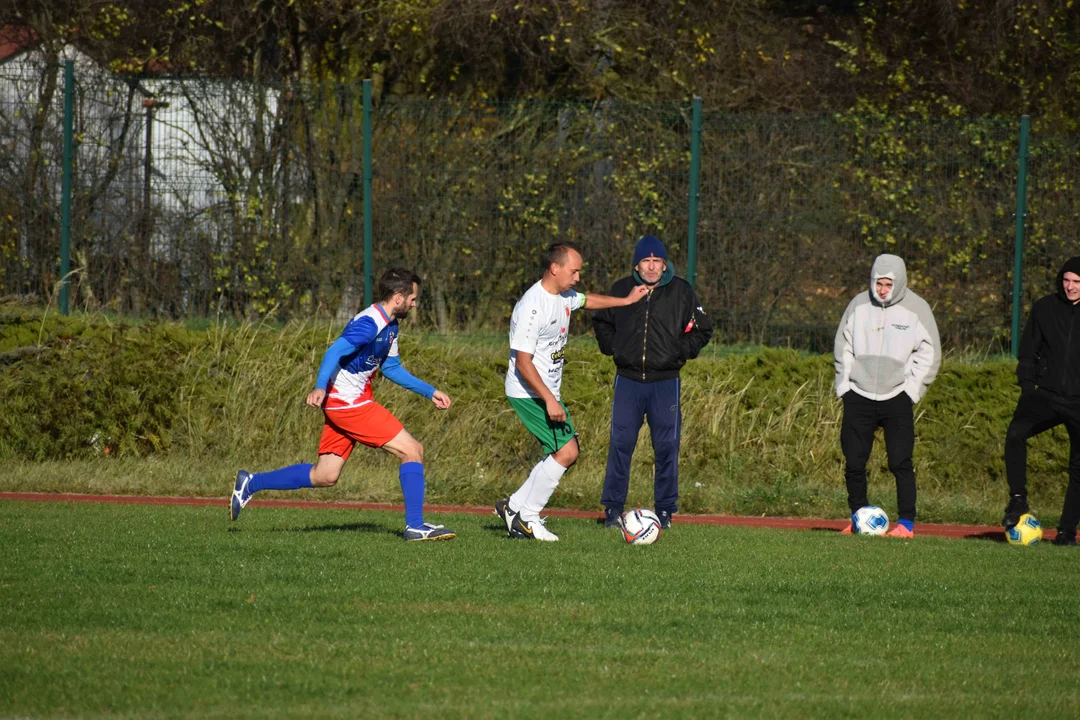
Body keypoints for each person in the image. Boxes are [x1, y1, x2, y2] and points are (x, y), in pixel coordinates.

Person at [230, 268, 456, 542]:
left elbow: (392, 368)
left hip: (348, 403)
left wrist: (429, 392)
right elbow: (334, 350)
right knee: (412, 450)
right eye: (413, 298)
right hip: (348, 404)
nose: (414, 303)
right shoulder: (370, 323)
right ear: (398, 297)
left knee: (325, 475)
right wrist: (319, 387)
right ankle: (415, 525)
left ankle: (251, 482)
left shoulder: (391, 325)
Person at [494, 242, 649, 542]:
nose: (577, 277)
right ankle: (527, 518)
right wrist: (550, 399)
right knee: (567, 452)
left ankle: (513, 507)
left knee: (563, 450)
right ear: (555, 268)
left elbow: (586, 300)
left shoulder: (563, 296)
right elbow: (523, 363)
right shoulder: (531, 306)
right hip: (529, 392)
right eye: (574, 271)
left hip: (544, 391)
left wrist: (626, 301)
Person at [592, 234, 713, 530]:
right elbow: (601, 321)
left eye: (656, 261)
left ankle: (665, 511)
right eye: (645, 261)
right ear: (637, 264)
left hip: (665, 382)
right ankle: (613, 510)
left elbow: (703, 329)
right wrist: (614, 347)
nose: (651, 266)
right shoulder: (622, 289)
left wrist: (678, 353)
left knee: (666, 447)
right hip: (628, 380)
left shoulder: (681, 291)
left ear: (664, 264)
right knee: (621, 444)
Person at [833, 254, 940, 538]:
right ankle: (858, 517)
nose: (881, 289)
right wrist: (844, 386)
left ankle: (905, 524)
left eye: (887, 283)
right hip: (858, 394)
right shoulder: (857, 305)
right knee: (854, 461)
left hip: (897, 397)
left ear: (899, 281)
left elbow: (930, 353)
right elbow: (842, 346)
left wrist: (912, 390)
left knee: (900, 462)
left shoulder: (918, 309)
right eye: (877, 283)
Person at [1001, 257, 1080, 547]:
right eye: (1066, 280)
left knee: (1078, 469)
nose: (1070, 286)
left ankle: (1066, 533)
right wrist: (1027, 388)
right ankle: (1018, 500)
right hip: (1044, 395)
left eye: (1076, 282)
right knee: (1015, 435)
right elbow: (1027, 353)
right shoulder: (1045, 308)